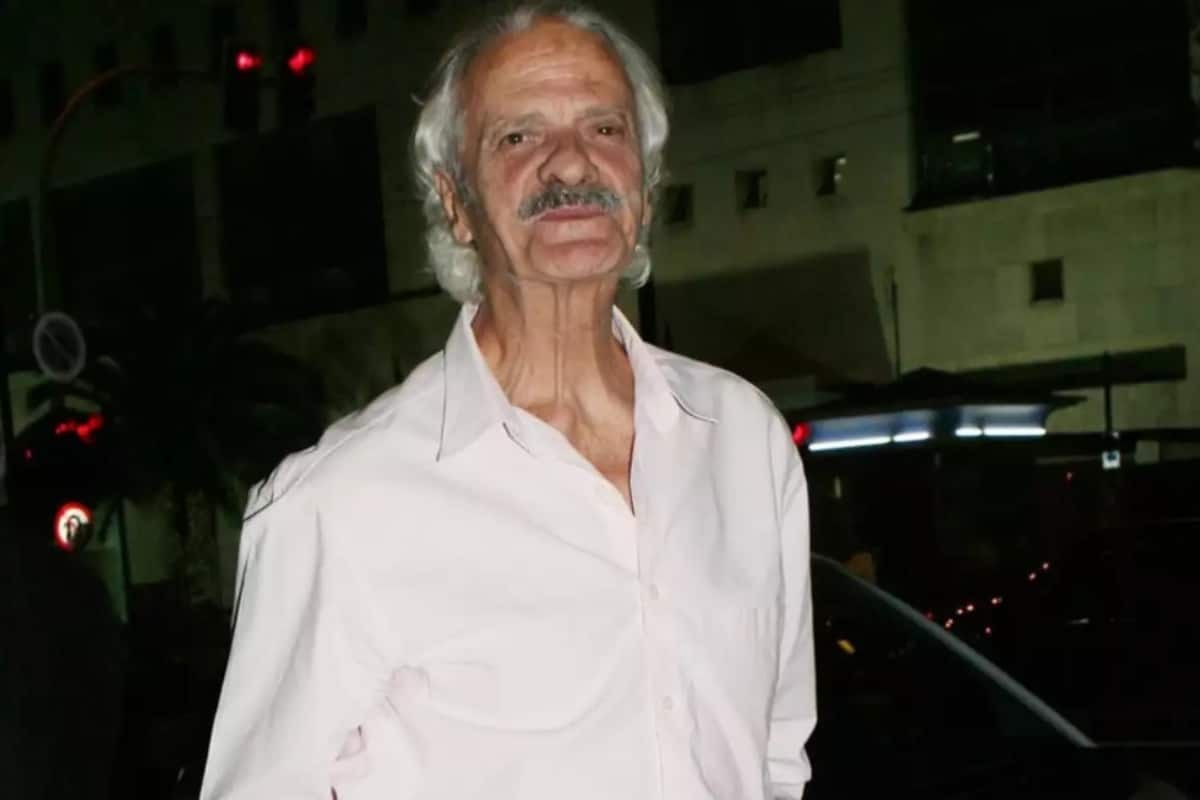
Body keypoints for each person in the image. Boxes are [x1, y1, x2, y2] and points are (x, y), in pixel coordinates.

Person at [199, 4, 815, 798]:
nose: (572, 165)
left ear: (646, 182)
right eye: (519, 137)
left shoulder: (744, 440)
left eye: (605, 128)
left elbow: (776, 759)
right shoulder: (341, 504)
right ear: (454, 203)